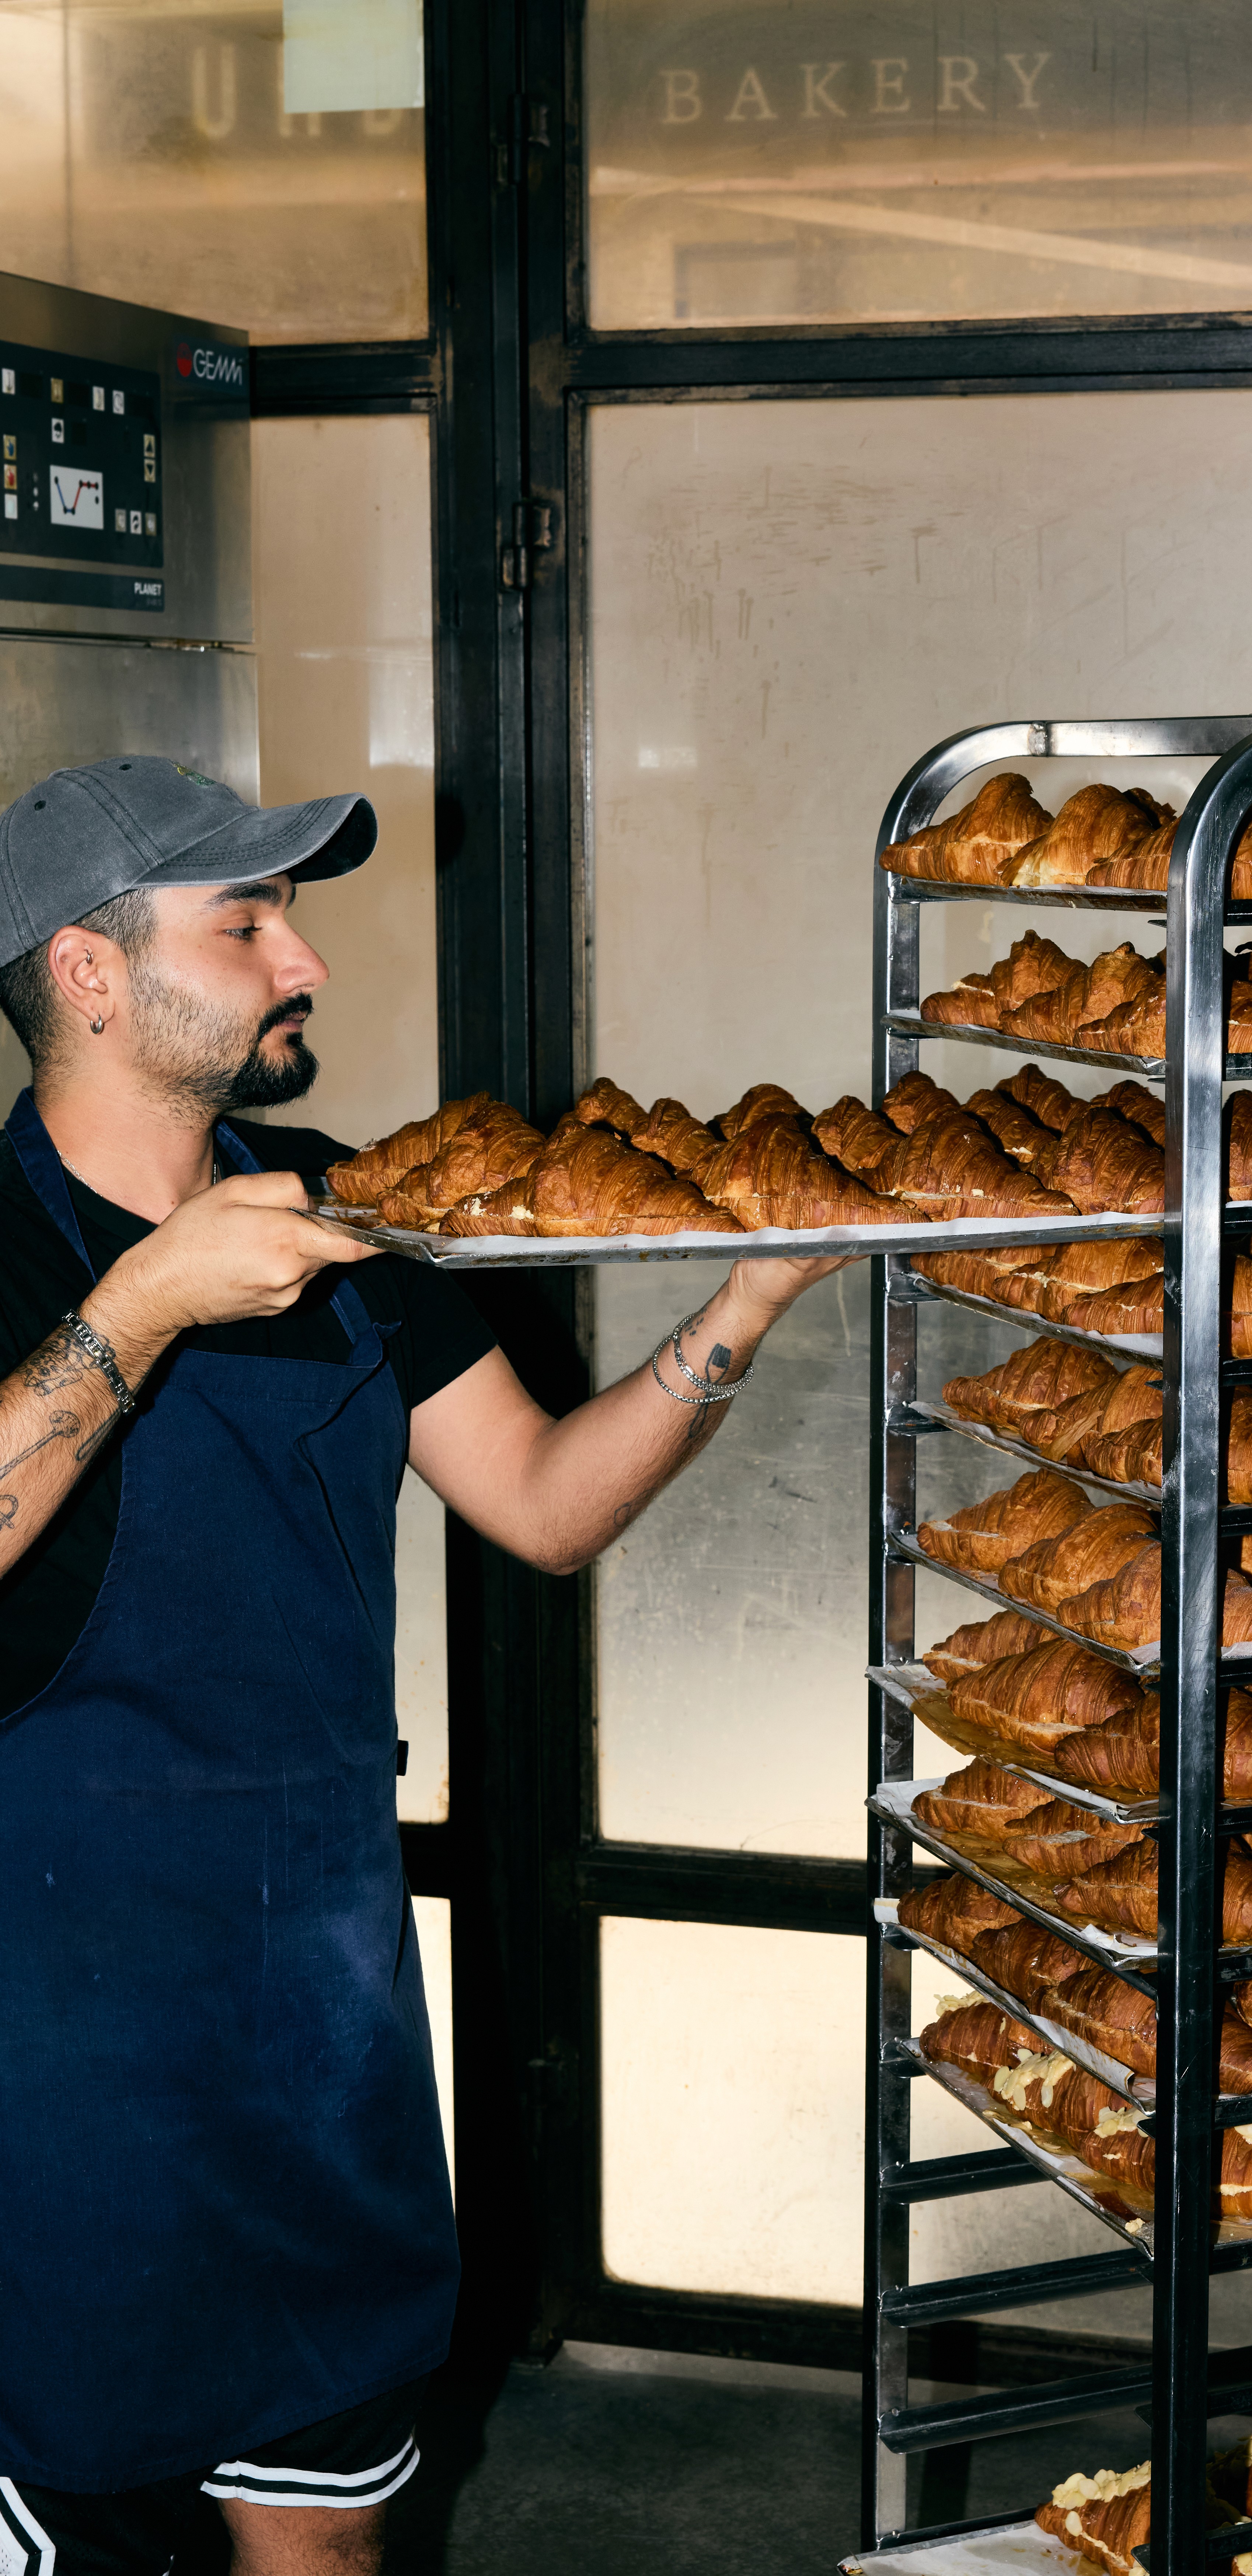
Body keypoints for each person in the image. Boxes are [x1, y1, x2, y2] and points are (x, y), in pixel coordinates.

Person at [0, 756, 844, 2576]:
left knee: (327, 2537)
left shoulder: (348, 1218)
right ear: (84, 969)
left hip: (317, 2005)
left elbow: (539, 1503)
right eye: (245, 923)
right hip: (54, 2025)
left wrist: (742, 1308)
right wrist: (140, 1304)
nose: (302, 961)